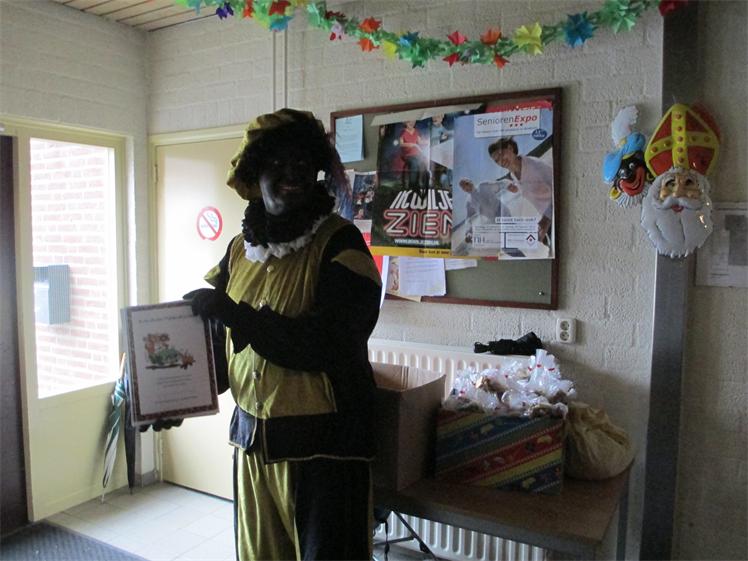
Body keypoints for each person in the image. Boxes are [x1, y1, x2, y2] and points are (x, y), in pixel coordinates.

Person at [184, 108, 382, 561]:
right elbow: (218, 346)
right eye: (277, 163)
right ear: (255, 173)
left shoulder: (341, 244)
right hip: (251, 445)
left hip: (325, 455)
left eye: (302, 163)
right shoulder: (238, 251)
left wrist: (240, 318)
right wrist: (177, 397)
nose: (292, 173)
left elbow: (330, 343)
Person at [398, 120, 428, 194]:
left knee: (423, 162)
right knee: (414, 163)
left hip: (417, 154)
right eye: (409, 122)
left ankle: (420, 183)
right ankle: (412, 186)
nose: (411, 124)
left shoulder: (416, 131)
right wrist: (410, 144)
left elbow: (420, 142)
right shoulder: (403, 132)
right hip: (407, 155)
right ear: (405, 123)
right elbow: (401, 144)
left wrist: (427, 141)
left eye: (413, 122)